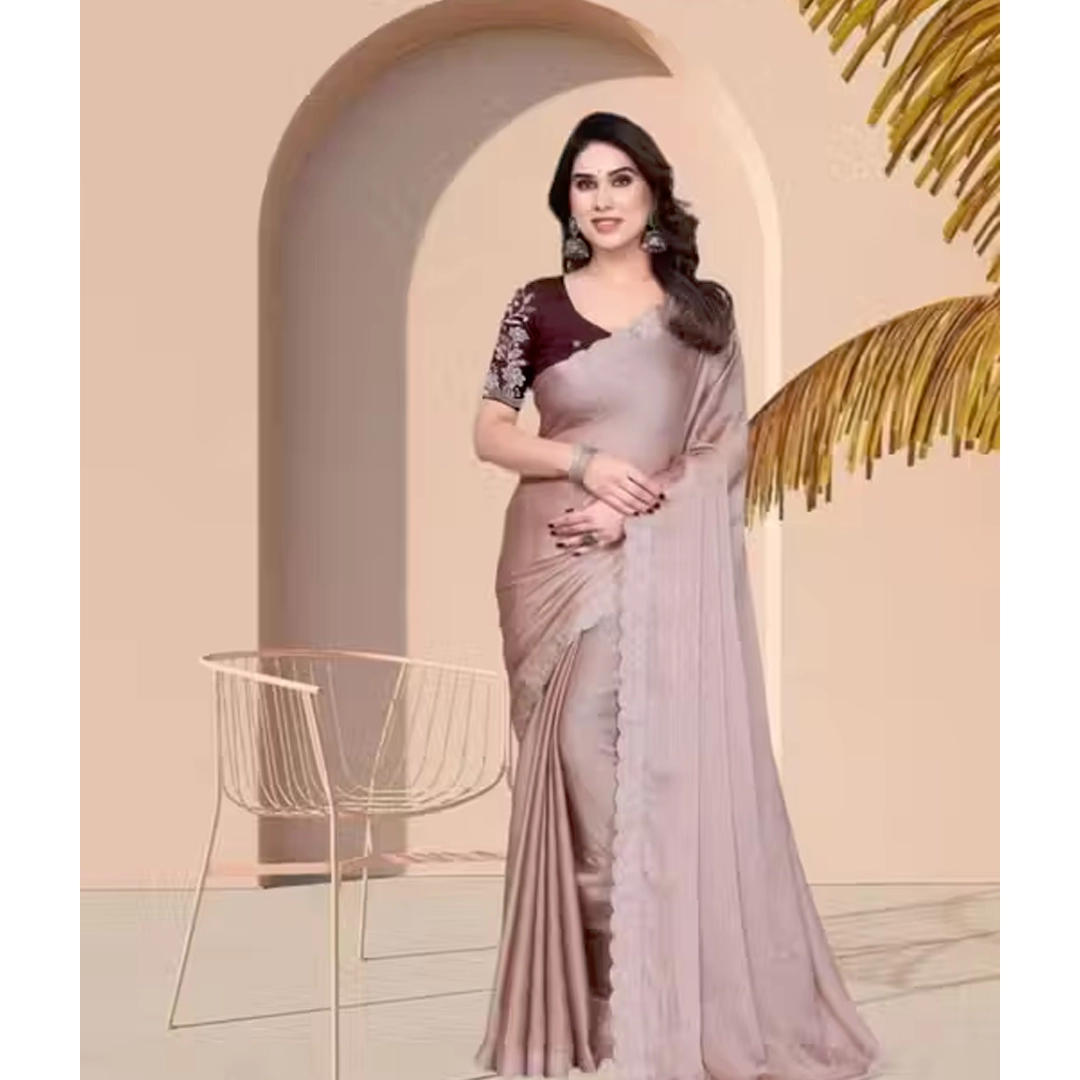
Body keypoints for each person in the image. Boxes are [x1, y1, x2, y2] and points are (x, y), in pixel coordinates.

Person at [471, 112, 884, 1080]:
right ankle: (588, 1013)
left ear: (653, 191)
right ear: (567, 203)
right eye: (585, 184)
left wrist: (632, 512)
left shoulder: (701, 314)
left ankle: (650, 998)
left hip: (647, 552)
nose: (603, 199)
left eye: (620, 179)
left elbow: (724, 448)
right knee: (569, 771)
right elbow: (490, 433)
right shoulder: (535, 305)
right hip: (546, 561)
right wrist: (585, 462)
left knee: (636, 765)